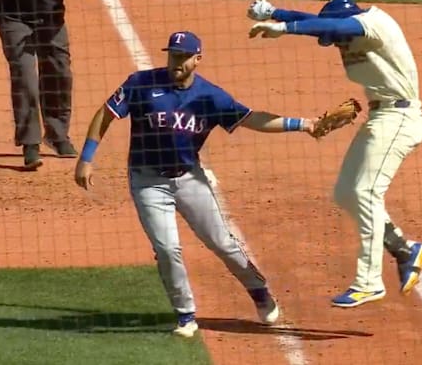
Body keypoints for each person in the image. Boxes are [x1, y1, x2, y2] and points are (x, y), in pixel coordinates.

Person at [74, 31, 319, 337]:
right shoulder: (141, 83)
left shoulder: (210, 97)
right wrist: (86, 157)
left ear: (197, 59)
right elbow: (105, 114)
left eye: (183, 56)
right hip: (147, 180)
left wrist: (302, 124)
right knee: (167, 248)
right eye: (172, 54)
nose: (176, 61)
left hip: (190, 178)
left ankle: (258, 291)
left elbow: (252, 119)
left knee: (222, 242)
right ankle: (186, 315)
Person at [247, 0, 422, 308]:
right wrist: (275, 13)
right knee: (346, 193)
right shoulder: (347, 25)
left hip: (400, 118)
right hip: (381, 117)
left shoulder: (373, 24)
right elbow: (321, 23)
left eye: (336, 40)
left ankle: (369, 283)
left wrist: (285, 28)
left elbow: (334, 25)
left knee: (366, 192)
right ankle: (403, 248)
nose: (336, 44)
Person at [0, 0, 101, 170]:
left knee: (60, 71)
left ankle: (57, 135)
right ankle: (30, 143)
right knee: (24, 74)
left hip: (52, 17)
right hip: (11, 15)